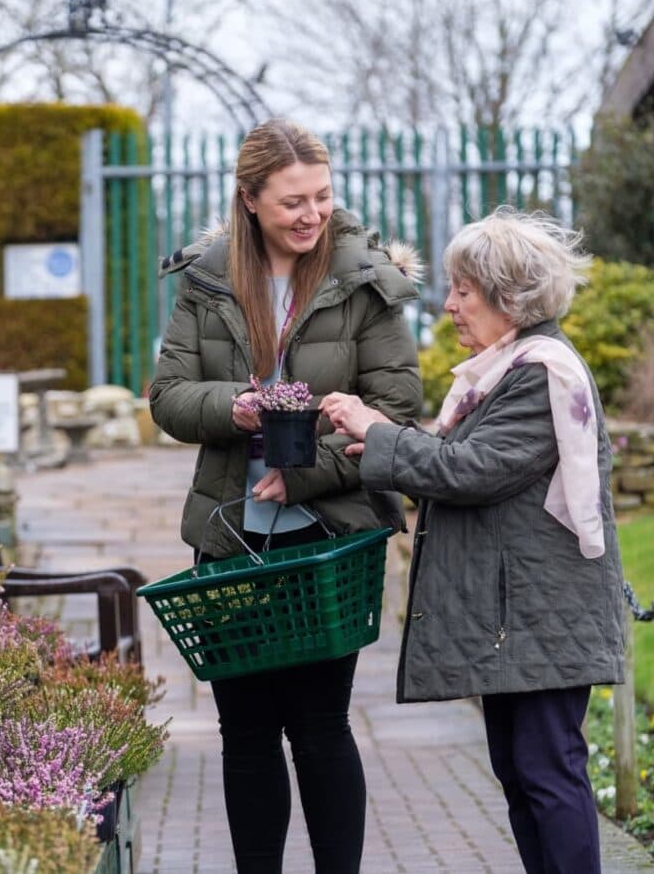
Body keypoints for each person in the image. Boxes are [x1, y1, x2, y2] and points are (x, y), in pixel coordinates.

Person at [149, 118, 423, 874]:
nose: (311, 216)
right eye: (292, 202)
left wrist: (305, 470)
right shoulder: (207, 281)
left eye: (323, 198)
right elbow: (167, 397)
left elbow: (396, 411)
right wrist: (231, 408)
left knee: (321, 726)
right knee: (244, 730)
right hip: (230, 537)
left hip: (327, 537)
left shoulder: (365, 282)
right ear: (249, 200)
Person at [321, 208, 625, 874]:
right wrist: (372, 445)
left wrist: (377, 430)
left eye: (465, 290)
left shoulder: (542, 372)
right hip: (520, 617)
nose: (451, 305)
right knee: (522, 775)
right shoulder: (503, 371)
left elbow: (470, 470)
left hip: (543, 615)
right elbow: (455, 460)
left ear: (509, 296)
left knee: (547, 773)